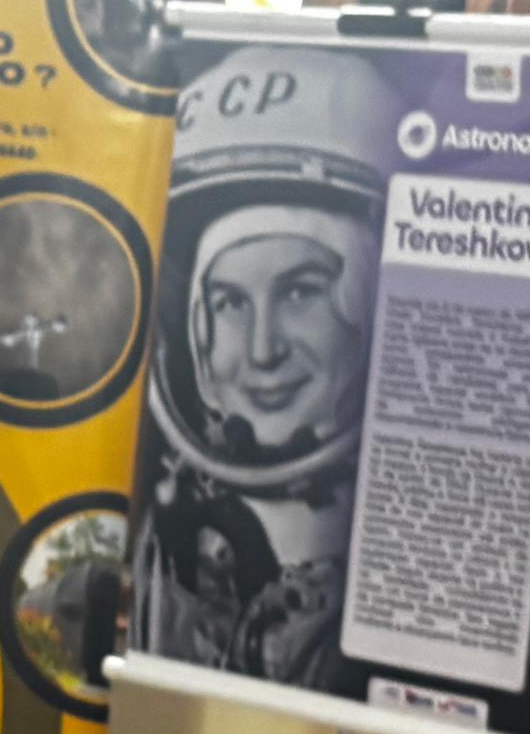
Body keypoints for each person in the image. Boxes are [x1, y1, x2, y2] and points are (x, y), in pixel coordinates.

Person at [127, 47, 386, 690]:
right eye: (231, 304)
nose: (263, 349)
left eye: (301, 292)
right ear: (195, 332)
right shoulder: (156, 543)